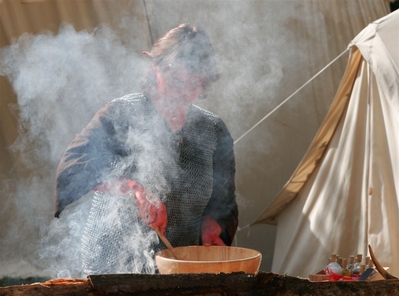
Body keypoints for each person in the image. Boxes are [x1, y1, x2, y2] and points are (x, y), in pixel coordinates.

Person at [54, 23, 238, 275]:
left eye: (195, 84)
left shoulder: (213, 129)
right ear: (155, 67)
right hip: (112, 265)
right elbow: (73, 167)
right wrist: (134, 190)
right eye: (175, 81)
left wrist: (213, 224)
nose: (183, 93)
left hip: (179, 265)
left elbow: (224, 200)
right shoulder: (121, 114)